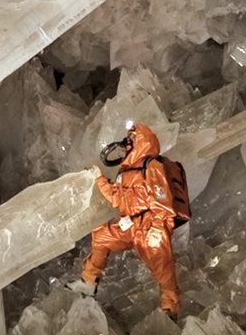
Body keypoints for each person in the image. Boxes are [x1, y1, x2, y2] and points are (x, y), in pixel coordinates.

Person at [76, 120, 185, 318]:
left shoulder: (151, 166)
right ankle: (88, 282)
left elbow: (161, 196)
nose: (128, 142)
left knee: (162, 268)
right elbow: (118, 198)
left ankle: (171, 307)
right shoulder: (125, 171)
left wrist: (158, 226)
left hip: (151, 224)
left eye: (132, 138)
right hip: (130, 223)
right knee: (101, 236)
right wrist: (100, 179)